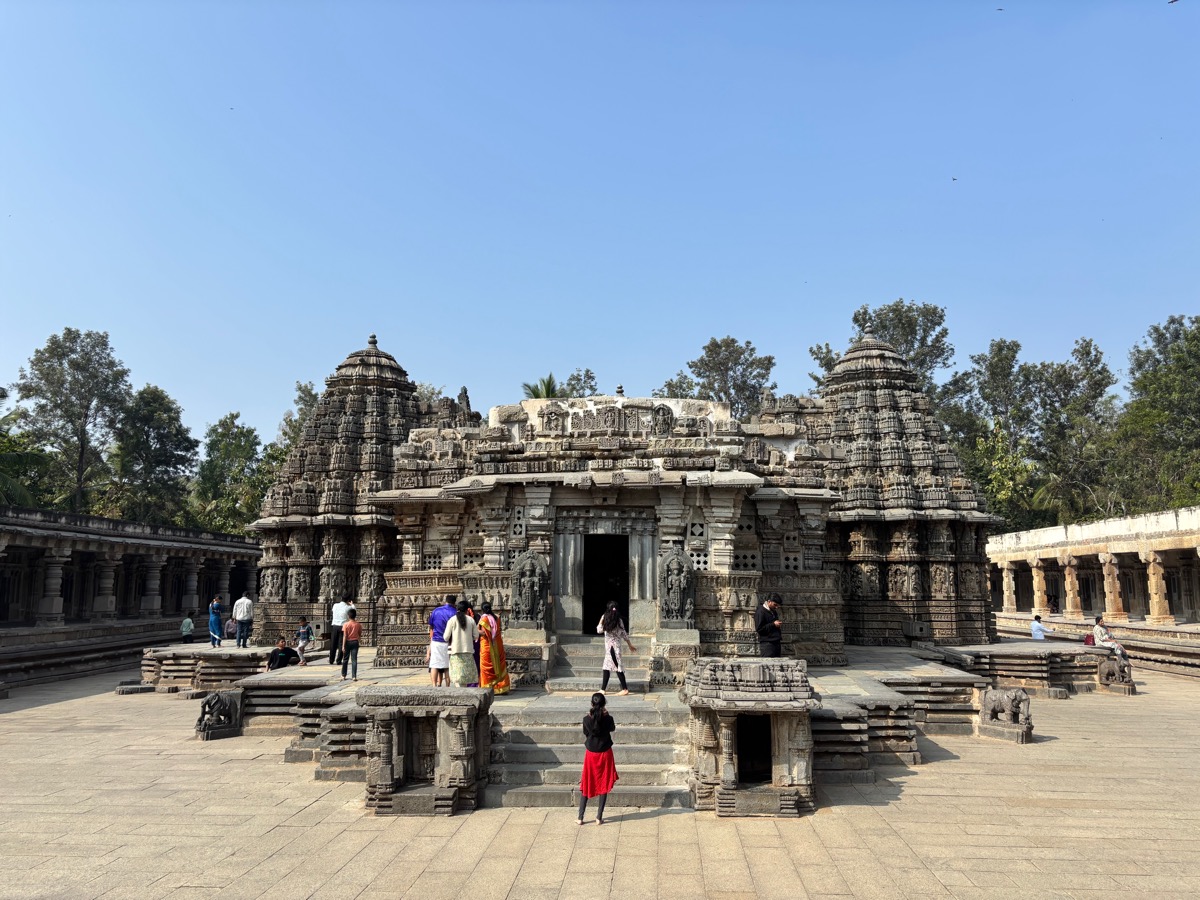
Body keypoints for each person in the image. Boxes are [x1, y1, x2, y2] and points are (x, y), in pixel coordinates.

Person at [578, 692, 619, 825]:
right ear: (604, 704)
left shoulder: (586, 719)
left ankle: (580, 817)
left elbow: (586, 732)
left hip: (591, 754)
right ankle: (599, 817)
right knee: (603, 783)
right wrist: (605, 715)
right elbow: (612, 728)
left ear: (592, 704)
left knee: (587, 782)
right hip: (605, 752)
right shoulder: (608, 718)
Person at [597, 602, 636, 695]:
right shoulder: (619, 620)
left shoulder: (605, 618)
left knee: (616, 667)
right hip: (616, 647)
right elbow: (624, 634)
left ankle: (624, 688)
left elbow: (599, 630)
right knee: (609, 667)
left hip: (610, 648)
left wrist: (600, 621)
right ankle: (603, 689)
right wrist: (630, 644)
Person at [442, 599, 480, 687]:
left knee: (457, 676)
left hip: (456, 652)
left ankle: (460, 693)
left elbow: (445, 637)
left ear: (457, 609)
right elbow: (476, 635)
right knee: (466, 676)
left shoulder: (452, 620)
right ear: (467, 610)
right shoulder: (470, 620)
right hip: (468, 651)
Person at [477, 601, 511, 694]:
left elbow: (484, 633)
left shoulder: (484, 620)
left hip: (487, 646)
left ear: (482, 609)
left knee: (486, 667)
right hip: (498, 644)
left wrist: (475, 630)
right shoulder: (496, 618)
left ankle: (487, 687)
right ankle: (501, 687)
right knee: (499, 665)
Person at [426, 596, 457, 687]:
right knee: (447, 666)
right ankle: (447, 685)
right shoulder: (454, 613)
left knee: (434, 665)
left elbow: (431, 627)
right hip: (449, 641)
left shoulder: (436, 611)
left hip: (436, 640)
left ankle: (434, 685)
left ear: (445, 601)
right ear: (454, 603)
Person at [341, 608, 363, 680]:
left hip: (347, 642)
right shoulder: (358, 624)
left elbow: (345, 636)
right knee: (354, 660)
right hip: (355, 642)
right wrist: (358, 640)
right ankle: (354, 676)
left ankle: (343, 675)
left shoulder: (346, 624)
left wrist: (343, 646)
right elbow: (359, 634)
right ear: (355, 616)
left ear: (348, 616)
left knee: (345, 659)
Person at [329, 596, 351, 666]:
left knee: (333, 643)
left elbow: (333, 611)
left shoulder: (335, 605)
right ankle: (338, 660)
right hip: (343, 626)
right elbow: (354, 611)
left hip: (335, 626)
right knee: (341, 644)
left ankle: (331, 659)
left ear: (341, 599)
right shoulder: (348, 607)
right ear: (348, 601)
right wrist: (351, 604)